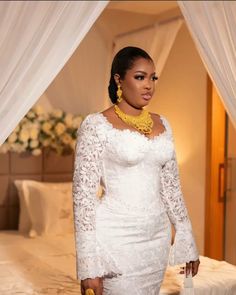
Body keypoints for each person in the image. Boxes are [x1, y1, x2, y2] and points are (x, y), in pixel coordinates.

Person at [72, 46, 200, 295]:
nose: (149, 85)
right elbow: (83, 200)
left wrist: (187, 239)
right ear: (119, 79)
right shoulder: (96, 125)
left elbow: (171, 189)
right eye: (140, 77)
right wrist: (88, 267)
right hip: (116, 240)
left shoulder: (164, 124)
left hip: (156, 241)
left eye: (153, 78)